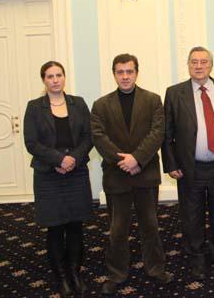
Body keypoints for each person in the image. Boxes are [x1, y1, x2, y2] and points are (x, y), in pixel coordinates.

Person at [91, 54, 173, 294]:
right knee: (117, 229)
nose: (125, 76)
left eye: (129, 71)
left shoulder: (153, 100)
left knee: (151, 225)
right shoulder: (101, 104)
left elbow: (157, 133)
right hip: (116, 175)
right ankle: (116, 273)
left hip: (145, 172)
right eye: (120, 72)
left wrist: (136, 158)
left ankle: (156, 268)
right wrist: (123, 161)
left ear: (137, 72)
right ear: (114, 74)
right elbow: (98, 137)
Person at [162, 46, 214, 281]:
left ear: (211, 65)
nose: (199, 66)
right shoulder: (174, 93)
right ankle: (196, 255)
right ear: (188, 65)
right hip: (190, 167)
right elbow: (167, 133)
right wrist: (171, 163)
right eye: (194, 62)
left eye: (203, 62)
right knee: (192, 214)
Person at [23, 61, 93, 297]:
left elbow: (88, 136)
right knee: (55, 227)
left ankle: (75, 273)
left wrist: (72, 159)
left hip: (76, 172)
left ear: (64, 77)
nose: (55, 80)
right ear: (44, 80)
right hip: (48, 176)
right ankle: (61, 278)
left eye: (59, 75)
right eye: (50, 76)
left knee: (75, 226)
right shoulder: (34, 107)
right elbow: (31, 143)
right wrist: (59, 160)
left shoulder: (78, 103)